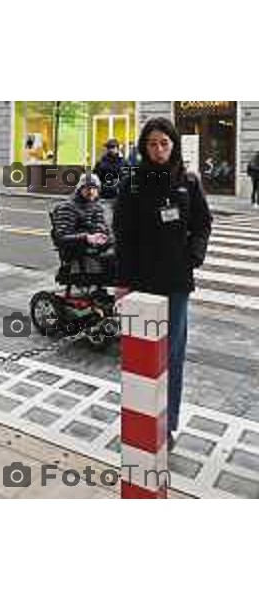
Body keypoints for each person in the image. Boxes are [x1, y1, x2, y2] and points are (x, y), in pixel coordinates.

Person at [113, 117, 212, 451]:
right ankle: (139, 418)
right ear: (144, 146)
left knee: (172, 357)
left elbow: (202, 223)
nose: (158, 150)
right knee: (139, 357)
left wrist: (193, 256)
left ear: (173, 145)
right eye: (152, 144)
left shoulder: (188, 181)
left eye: (164, 143)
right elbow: (123, 237)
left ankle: (166, 425)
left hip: (176, 283)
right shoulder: (132, 185)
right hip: (141, 285)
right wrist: (122, 283)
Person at [50, 173, 115, 286]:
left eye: (94, 188)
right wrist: (87, 237)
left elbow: (104, 229)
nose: (91, 191)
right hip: (80, 253)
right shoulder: (67, 208)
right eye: (87, 188)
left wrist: (105, 236)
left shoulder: (96, 206)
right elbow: (62, 237)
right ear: (80, 189)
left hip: (97, 249)